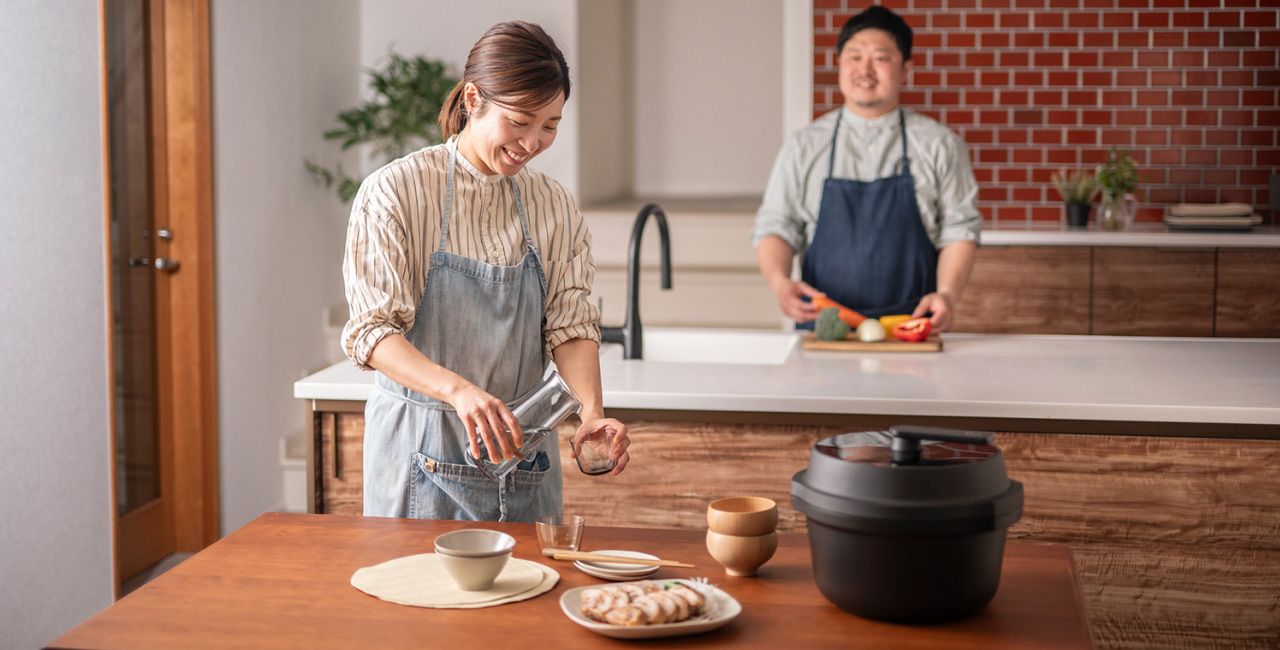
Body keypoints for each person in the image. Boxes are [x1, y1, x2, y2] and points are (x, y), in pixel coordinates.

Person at [341, 21, 630, 523]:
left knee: (533, 596)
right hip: (419, 452)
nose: (534, 141)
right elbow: (372, 332)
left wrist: (591, 414)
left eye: (550, 125)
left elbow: (571, 324)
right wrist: (459, 391)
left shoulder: (552, 204)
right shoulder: (395, 192)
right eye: (520, 120)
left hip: (522, 458)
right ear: (473, 99)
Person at [753, 6, 980, 331]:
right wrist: (780, 283)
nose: (865, 69)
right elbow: (777, 225)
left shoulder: (939, 144)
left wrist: (947, 294)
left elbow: (960, 229)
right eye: (854, 56)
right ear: (839, 65)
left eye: (880, 57)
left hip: (911, 326)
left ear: (905, 71)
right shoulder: (803, 146)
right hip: (825, 328)